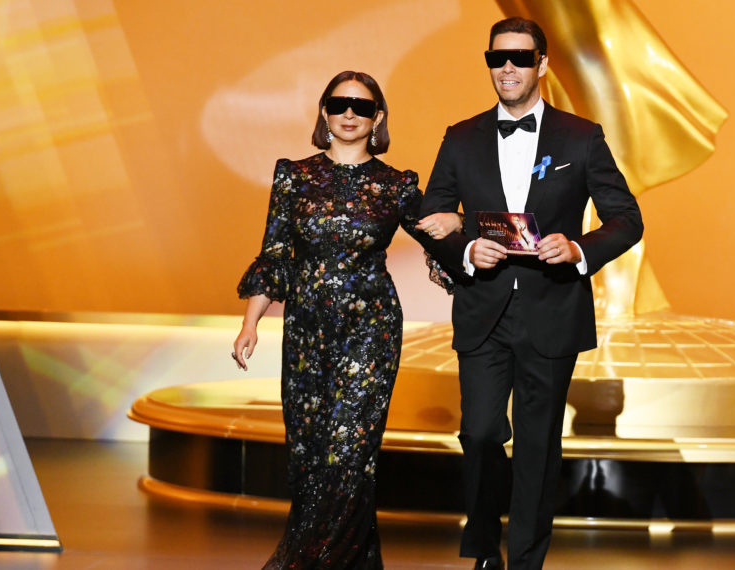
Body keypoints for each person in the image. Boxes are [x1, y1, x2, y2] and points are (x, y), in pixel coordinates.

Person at [419, 17, 644, 570]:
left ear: (542, 63)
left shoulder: (581, 136)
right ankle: (483, 545)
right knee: (479, 433)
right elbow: (431, 218)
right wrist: (470, 250)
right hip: (483, 310)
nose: (508, 68)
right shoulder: (461, 136)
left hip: (551, 310)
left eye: (520, 58)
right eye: (497, 59)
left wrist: (578, 250)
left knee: (539, 447)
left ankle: (523, 560)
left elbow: (627, 219)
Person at [232, 70, 459, 569]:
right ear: (324, 113)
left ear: (378, 116)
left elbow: (436, 237)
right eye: (339, 104)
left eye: (361, 106)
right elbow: (276, 254)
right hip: (307, 330)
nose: (350, 114)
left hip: (370, 331)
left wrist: (461, 221)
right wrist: (251, 323)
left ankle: (307, 563)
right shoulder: (293, 174)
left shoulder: (395, 184)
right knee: (311, 454)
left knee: (349, 452)